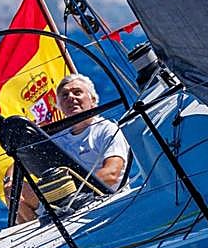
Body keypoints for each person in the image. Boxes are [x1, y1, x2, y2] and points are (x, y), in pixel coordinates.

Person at [10, 73, 131, 224]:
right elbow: (18, 161)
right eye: (65, 95)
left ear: (93, 100)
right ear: (59, 106)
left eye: (77, 92)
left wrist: (71, 197)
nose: (71, 97)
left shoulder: (107, 129)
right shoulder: (57, 138)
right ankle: (41, 236)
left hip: (108, 204)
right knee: (13, 190)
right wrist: (11, 177)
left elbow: (112, 174)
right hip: (65, 208)